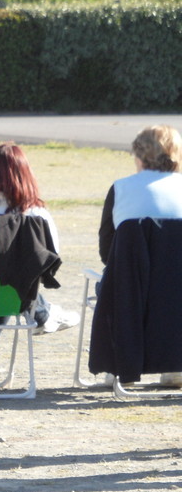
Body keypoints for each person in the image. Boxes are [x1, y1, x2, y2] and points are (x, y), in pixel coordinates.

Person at [0, 143, 79, 333]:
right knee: (7, 274)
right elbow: (49, 258)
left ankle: (43, 312)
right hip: (8, 297)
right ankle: (43, 312)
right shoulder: (35, 215)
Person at [98, 124, 182, 387]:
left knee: (112, 281)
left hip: (130, 291)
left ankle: (121, 366)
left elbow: (106, 250)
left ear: (138, 155)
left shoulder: (121, 188)